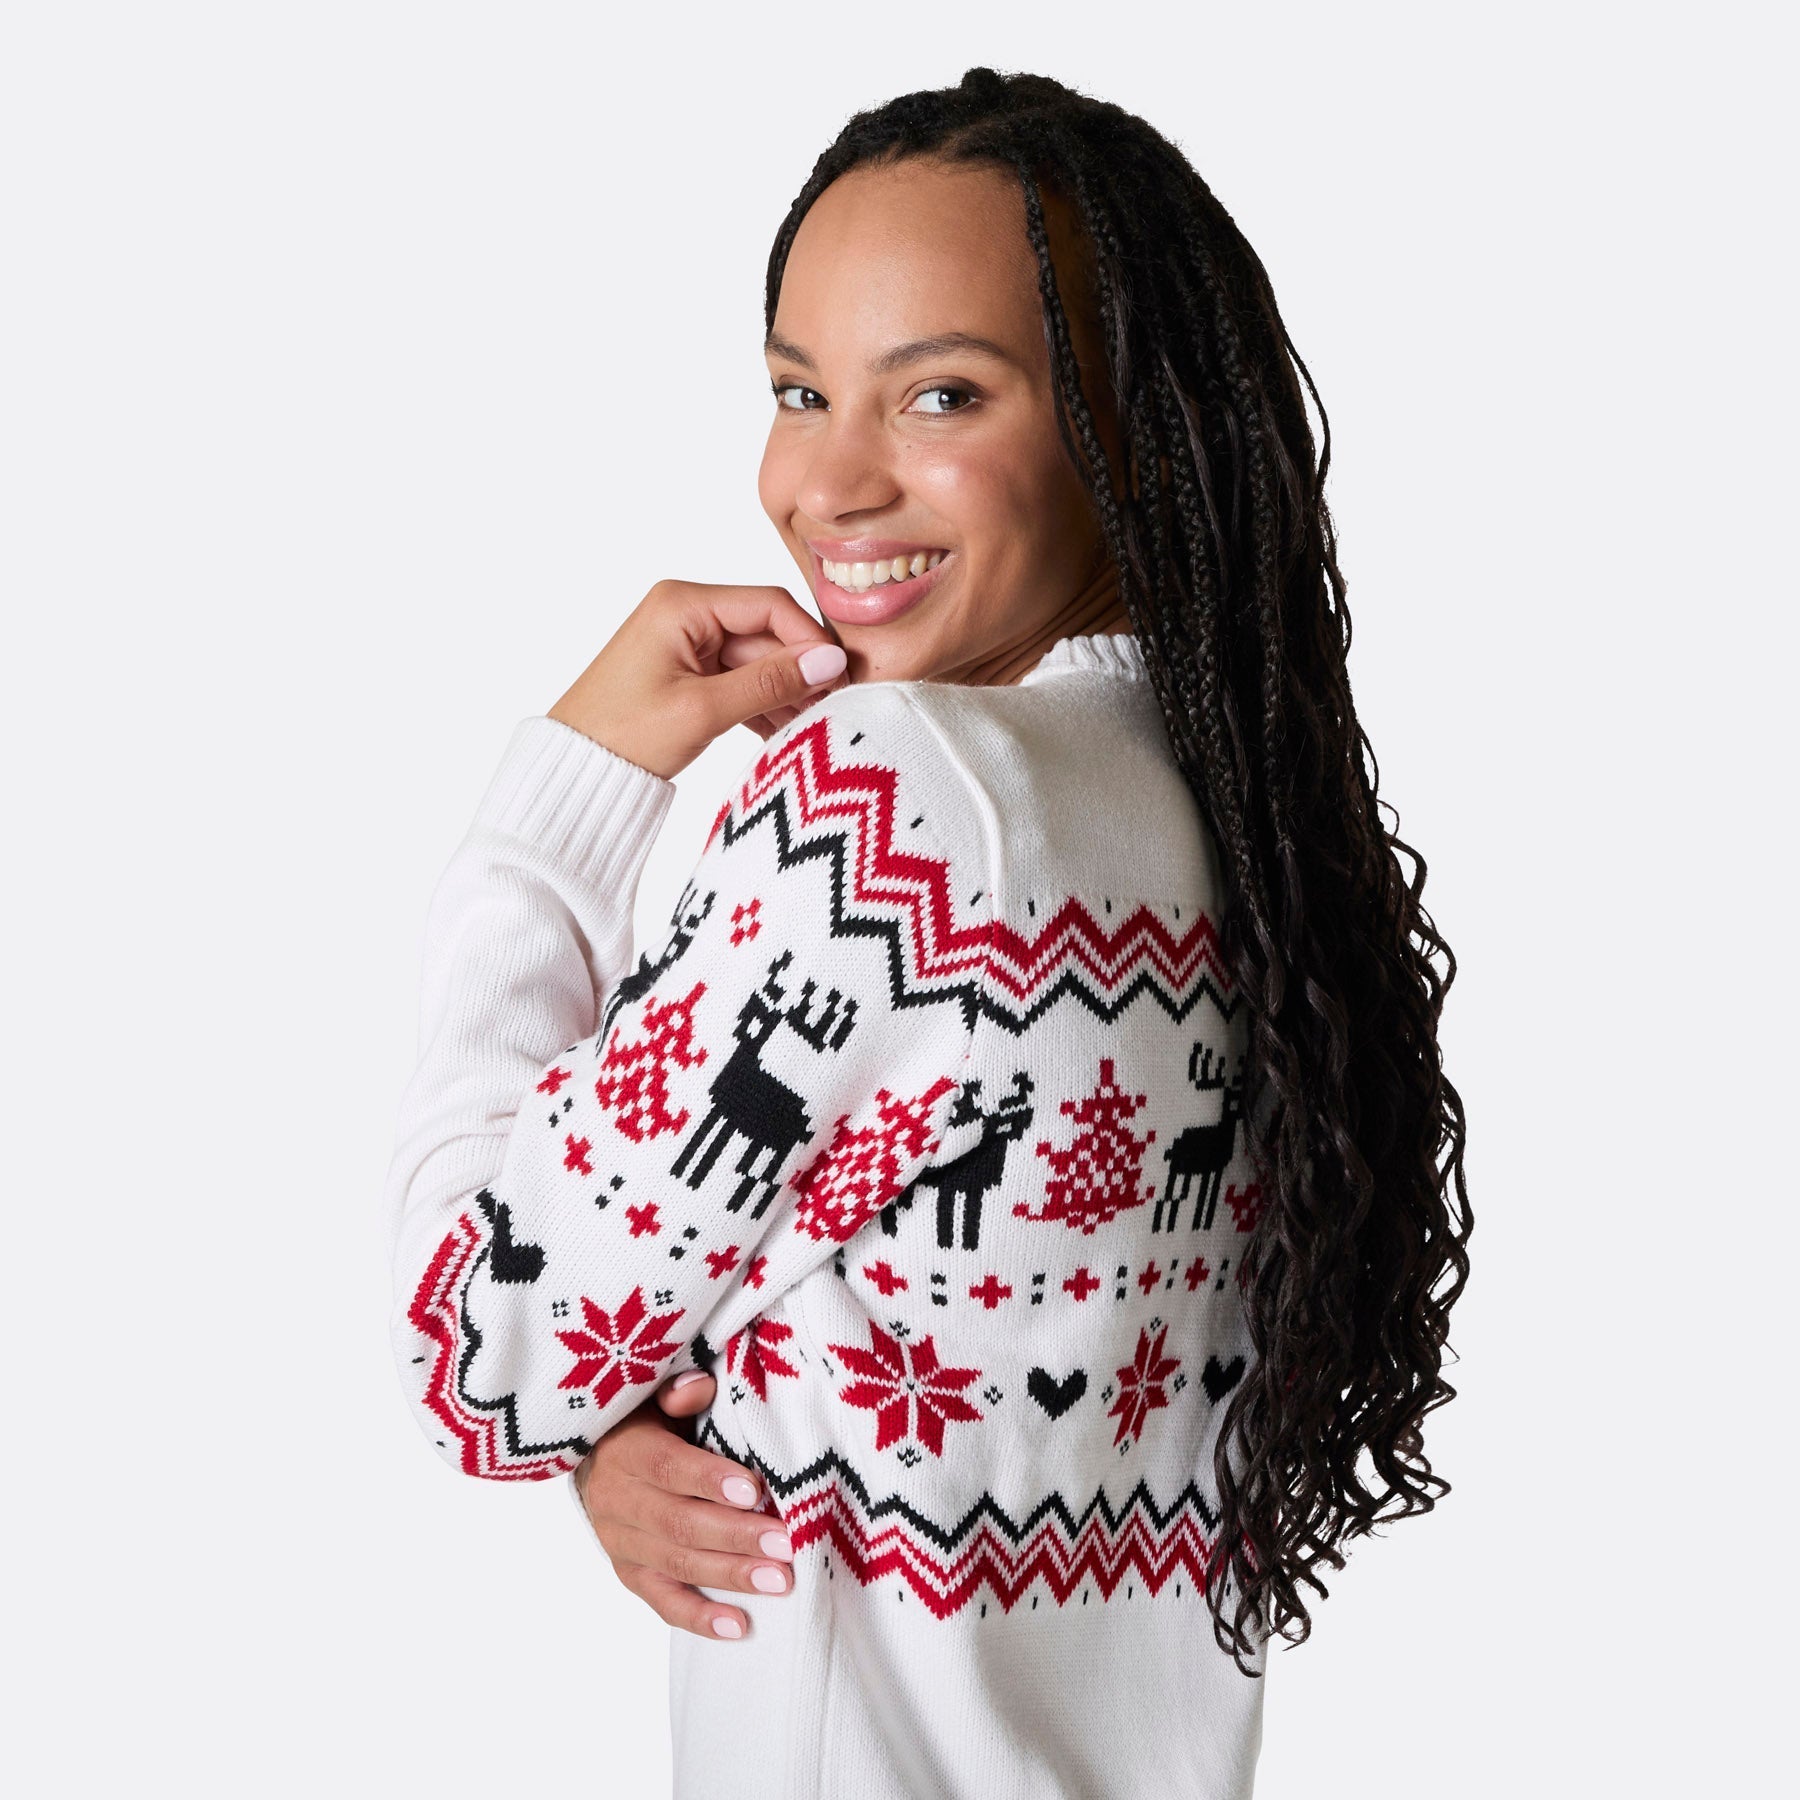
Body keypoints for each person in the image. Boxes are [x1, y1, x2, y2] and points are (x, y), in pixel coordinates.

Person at [382, 67, 1472, 1800]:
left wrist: (572, 787)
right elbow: (902, 1300)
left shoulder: (900, 802)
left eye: (941, 394)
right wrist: (627, 1411)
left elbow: (481, 1342)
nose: (827, 483)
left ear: (1127, 425)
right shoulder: (1235, 815)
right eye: (799, 392)